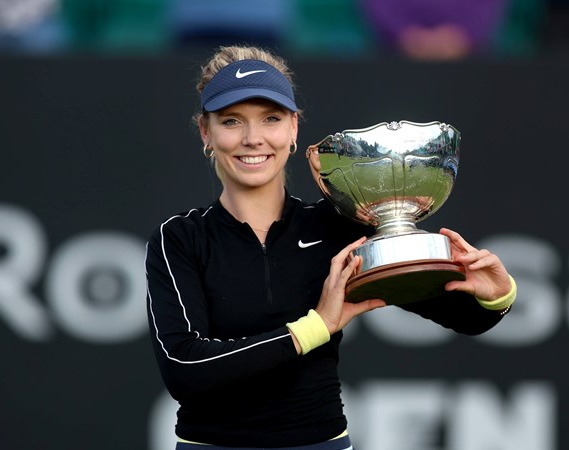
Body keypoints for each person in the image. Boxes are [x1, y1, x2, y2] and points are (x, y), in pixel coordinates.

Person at [145, 45, 517, 450]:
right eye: (232, 121)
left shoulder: (337, 225)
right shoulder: (179, 238)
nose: (253, 139)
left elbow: (463, 317)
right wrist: (315, 328)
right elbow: (184, 368)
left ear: (293, 129)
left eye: (270, 119)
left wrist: (495, 295)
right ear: (206, 132)